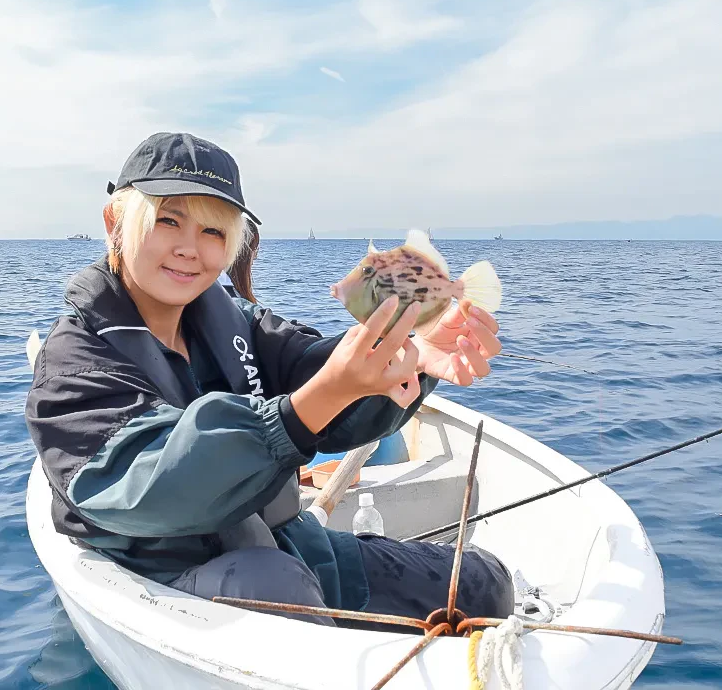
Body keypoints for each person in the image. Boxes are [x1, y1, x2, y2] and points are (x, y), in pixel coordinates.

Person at [25, 132, 513, 629]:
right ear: (115, 224)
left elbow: (311, 365)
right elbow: (148, 489)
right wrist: (304, 410)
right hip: (166, 572)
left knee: (486, 585)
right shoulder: (75, 362)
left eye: (213, 232)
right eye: (168, 221)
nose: (190, 249)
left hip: (283, 540)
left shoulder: (237, 322)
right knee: (275, 585)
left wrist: (411, 360)